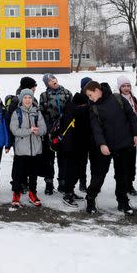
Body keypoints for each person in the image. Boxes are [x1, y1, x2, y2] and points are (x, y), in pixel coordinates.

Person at [84, 80, 137, 215]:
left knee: (122, 175)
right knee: (99, 175)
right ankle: (90, 198)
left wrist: (136, 134)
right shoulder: (93, 107)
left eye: (90, 95)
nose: (90, 98)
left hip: (124, 144)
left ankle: (123, 202)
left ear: (97, 90)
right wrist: (102, 144)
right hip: (105, 147)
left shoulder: (117, 98)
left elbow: (131, 117)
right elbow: (96, 129)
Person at [54, 79, 91, 207]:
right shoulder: (77, 111)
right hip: (72, 146)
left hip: (74, 146)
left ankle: (70, 191)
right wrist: (88, 107)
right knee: (72, 171)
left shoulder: (70, 108)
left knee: (75, 170)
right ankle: (67, 194)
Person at [10, 89, 47, 208]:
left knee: (33, 174)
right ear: (21, 99)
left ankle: (33, 193)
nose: (27, 100)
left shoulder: (37, 112)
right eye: (25, 98)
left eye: (30, 98)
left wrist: (38, 131)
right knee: (18, 174)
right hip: (21, 150)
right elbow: (15, 130)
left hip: (35, 150)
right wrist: (29, 131)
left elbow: (44, 129)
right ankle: (16, 194)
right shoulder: (17, 113)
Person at [39, 74, 72, 195]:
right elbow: (41, 113)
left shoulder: (67, 93)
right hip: (50, 131)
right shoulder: (44, 95)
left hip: (64, 130)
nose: (53, 81)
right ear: (46, 84)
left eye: (54, 79)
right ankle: (49, 182)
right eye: (50, 80)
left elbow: (71, 110)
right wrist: (47, 130)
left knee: (63, 158)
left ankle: (62, 182)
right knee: (49, 158)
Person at [116, 75, 137, 197]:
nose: (126, 88)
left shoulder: (134, 100)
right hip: (121, 135)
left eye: (128, 86)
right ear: (119, 87)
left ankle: (130, 184)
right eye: (123, 86)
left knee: (132, 161)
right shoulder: (116, 99)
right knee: (122, 161)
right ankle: (121, 184)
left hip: (133, 134)